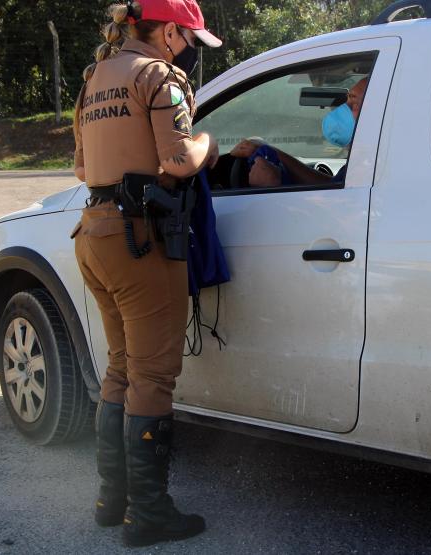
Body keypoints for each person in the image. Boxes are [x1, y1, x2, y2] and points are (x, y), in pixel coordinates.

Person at [71, 0, 221, 547]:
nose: (191, 51)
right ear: (171, 32)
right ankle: (150, 514)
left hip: (94, 233)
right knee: (152, 378)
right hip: (140, 241)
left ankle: (113, 501)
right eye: (191, 40)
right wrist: (209, 144)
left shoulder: (96, 77)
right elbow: (179, 160)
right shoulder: (159, 76)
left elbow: (82, 168)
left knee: (122, 369)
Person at [230, 77, 369, 187]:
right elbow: (330, 185)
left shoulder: (370, 165)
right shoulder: (366, 159)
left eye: (354, 102)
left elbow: (340, 205)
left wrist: (276, 182)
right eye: (347, 100)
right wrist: (268, 150)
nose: (342, 109)